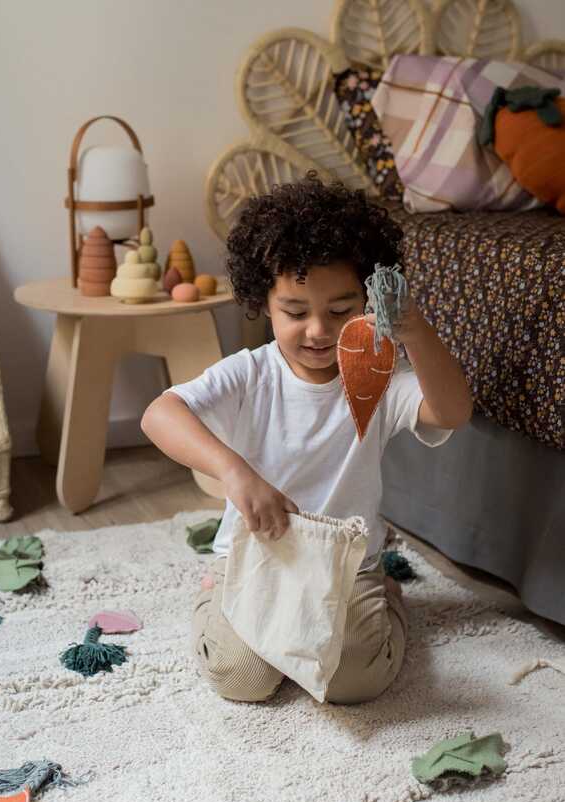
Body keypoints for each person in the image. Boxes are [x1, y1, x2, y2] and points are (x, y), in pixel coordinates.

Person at [141, 174, 473, 705]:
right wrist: (235, 473)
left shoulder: (377, 375)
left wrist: (414, 331)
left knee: (355, 682)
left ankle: (387, 595)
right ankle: (215, 593)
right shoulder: (251, 375)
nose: (318, 331)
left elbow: (452, 411)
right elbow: (160, 414)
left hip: (347, 565)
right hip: (255, 557)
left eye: (340, 311)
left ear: (368, 299)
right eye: (295, 313)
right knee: (243, 679)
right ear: (264, 303)